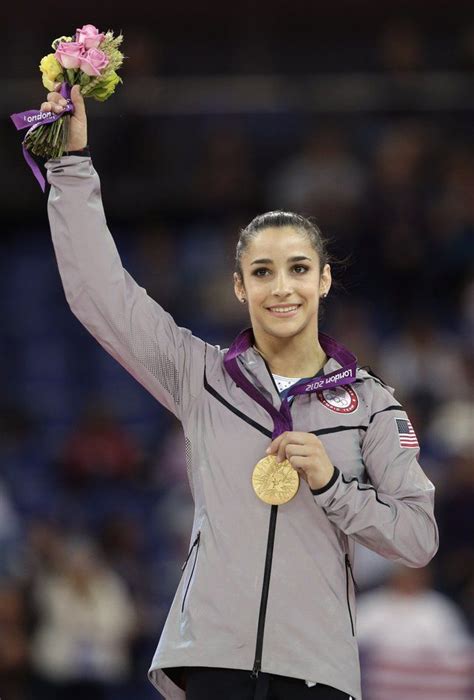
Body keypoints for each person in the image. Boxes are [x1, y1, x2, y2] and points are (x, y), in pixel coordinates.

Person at [39, 85, 439, 700]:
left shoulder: (370, 403)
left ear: (325, 279)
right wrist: (70, 165)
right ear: (238, 287)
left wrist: (335, 487)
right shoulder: (198, 376)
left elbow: (417, 538)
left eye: (300, 268)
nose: (282, 288)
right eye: (262, 271)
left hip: (317, 672)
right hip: (211, 662)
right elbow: (99, 292)